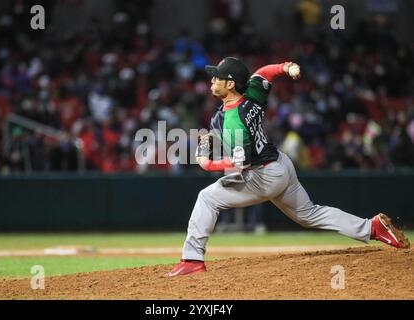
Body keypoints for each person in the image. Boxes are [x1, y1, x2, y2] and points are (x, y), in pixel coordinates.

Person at [167, 57, 410, 277]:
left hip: (262, 175)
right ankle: (372, 228)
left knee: (207, 198)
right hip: (281, 164)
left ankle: (192, 259)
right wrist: (286, 67)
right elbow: (263, 74)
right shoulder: (250, 95)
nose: (212, 80)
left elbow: (240, 163)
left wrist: (207, 163)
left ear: (230, 84)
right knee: (310, 214)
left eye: (217, 76)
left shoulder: (232, 122)